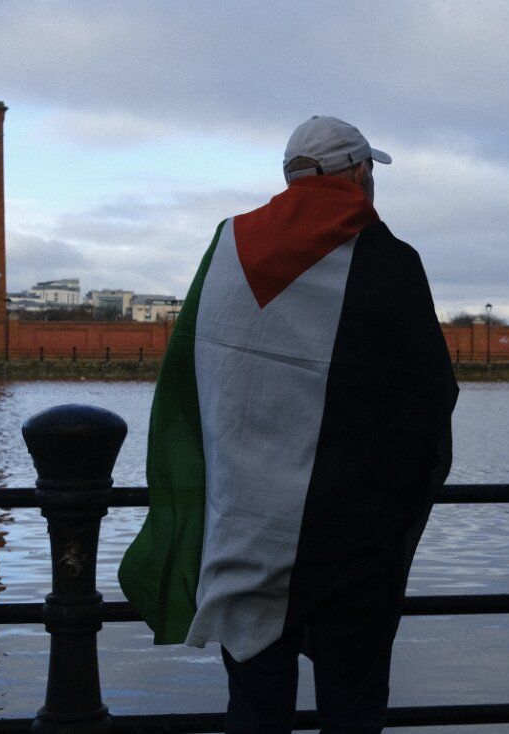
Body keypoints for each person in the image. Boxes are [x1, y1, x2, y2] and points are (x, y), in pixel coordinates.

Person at [120, 115, 457, 734]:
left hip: (243, 539)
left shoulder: (224, 246)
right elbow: (429, 402)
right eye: (370, 173)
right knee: (351, 708)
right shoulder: (389, 261)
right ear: (359, 174)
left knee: (254, 712)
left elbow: (192, 380)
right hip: (352, 547)